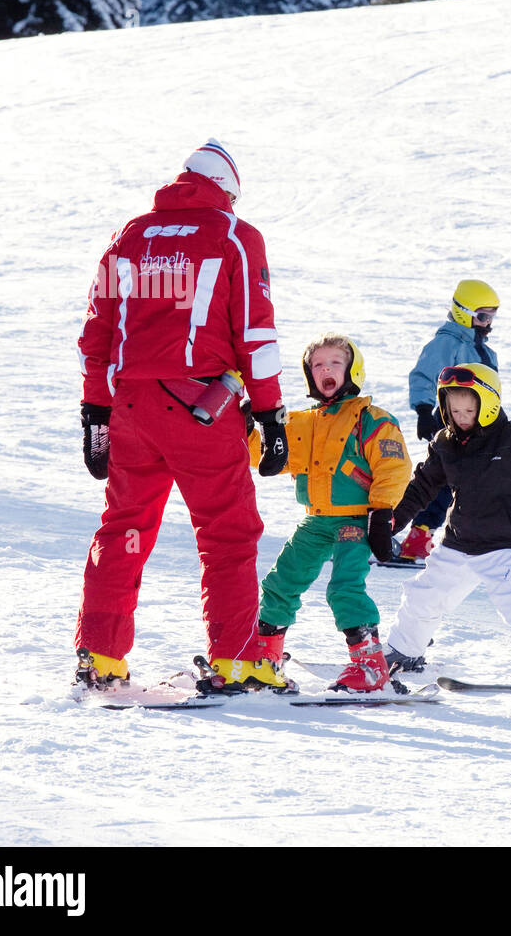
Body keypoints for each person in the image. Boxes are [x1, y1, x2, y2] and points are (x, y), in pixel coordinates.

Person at [74, 139, 291, 693]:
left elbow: (97, 334)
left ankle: (100, 656)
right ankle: (238, 661)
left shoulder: (131, 235)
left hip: (127, 407)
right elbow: (256, 338)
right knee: (227, 532)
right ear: (228, 190)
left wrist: (95, 410)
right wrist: (270, 415)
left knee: (123, 527)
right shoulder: (235, 238)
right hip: (198, 407)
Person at [382, 363, 511, 685]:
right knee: (424, 594)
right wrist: (393, 521)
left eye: (469, 408)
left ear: (488, 404)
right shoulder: (445, 443)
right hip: (457, 542)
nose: (461, 416)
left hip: (502, 543)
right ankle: (406, 650)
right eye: (454, 409)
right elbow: (422, 485)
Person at [250, 334, 413, 692]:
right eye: (317, 365)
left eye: (335, 363)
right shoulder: (301, 422)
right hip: (316, 520)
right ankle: (265, 660)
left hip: (354, 521)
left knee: (344, 588)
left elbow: (394, 467)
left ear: (352, 369)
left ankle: (370, 666)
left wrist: (382, 514)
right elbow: (268, 458)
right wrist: (249, 426)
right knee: (281, 582)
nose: (326, 370)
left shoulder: (372, 419)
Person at [399, 280, 501, 562]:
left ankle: (500, 544)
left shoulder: (485, 351)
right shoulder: (447, 343)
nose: (487, 323)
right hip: (452, 423)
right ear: (462, 313)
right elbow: (424, 373)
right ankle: (418, 537)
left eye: (491, 316)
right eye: (482, 316)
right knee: (446, 481)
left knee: (493, 482)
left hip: (482, 426)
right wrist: (423, 410)